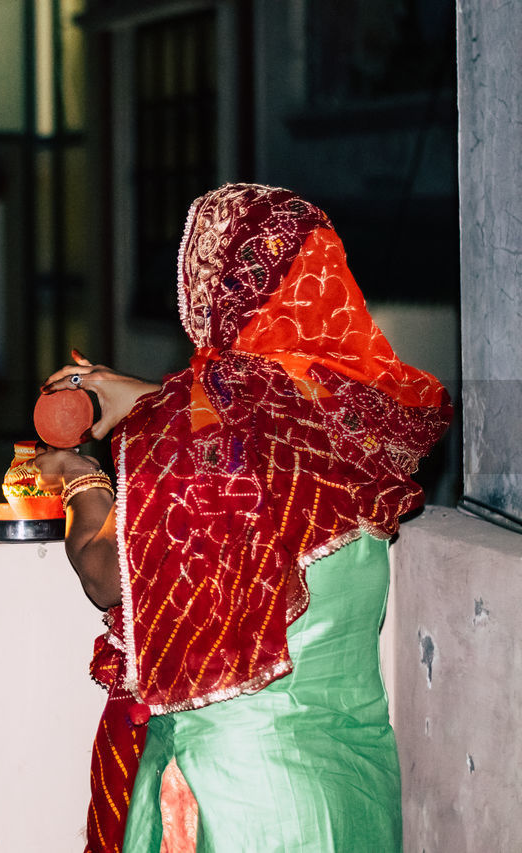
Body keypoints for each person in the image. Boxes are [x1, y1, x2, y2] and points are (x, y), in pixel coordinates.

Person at [35, 183, 452, 852]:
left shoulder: (190, 430)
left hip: (230, 798)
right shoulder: (356, 425)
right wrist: (149, 400)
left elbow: (109, 577)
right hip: (350, 796)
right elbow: (263, 426)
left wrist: (79, 479)